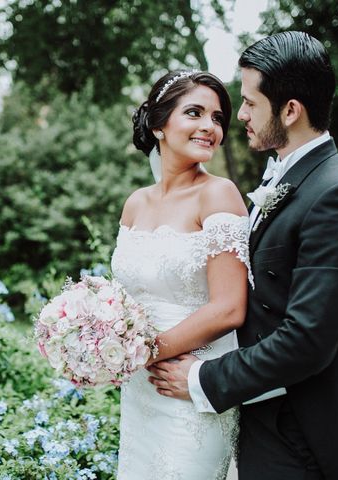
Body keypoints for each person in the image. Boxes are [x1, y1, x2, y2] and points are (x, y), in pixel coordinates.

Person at [147, 31, 338, 480]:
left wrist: (203, 378)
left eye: (251, 103)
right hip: (257, 420)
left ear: (290, 110)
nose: (240, 116)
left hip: (301, 436)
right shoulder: (286, 178)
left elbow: (308, 340)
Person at [110, 70, 252, 479]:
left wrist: (144, 352)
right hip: (139, 389)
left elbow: (229, 308)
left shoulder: (219, 194)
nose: (210, 126)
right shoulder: (135, 203)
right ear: (158, 124)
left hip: (189, 382)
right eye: (195, 113)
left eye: (218, 118)